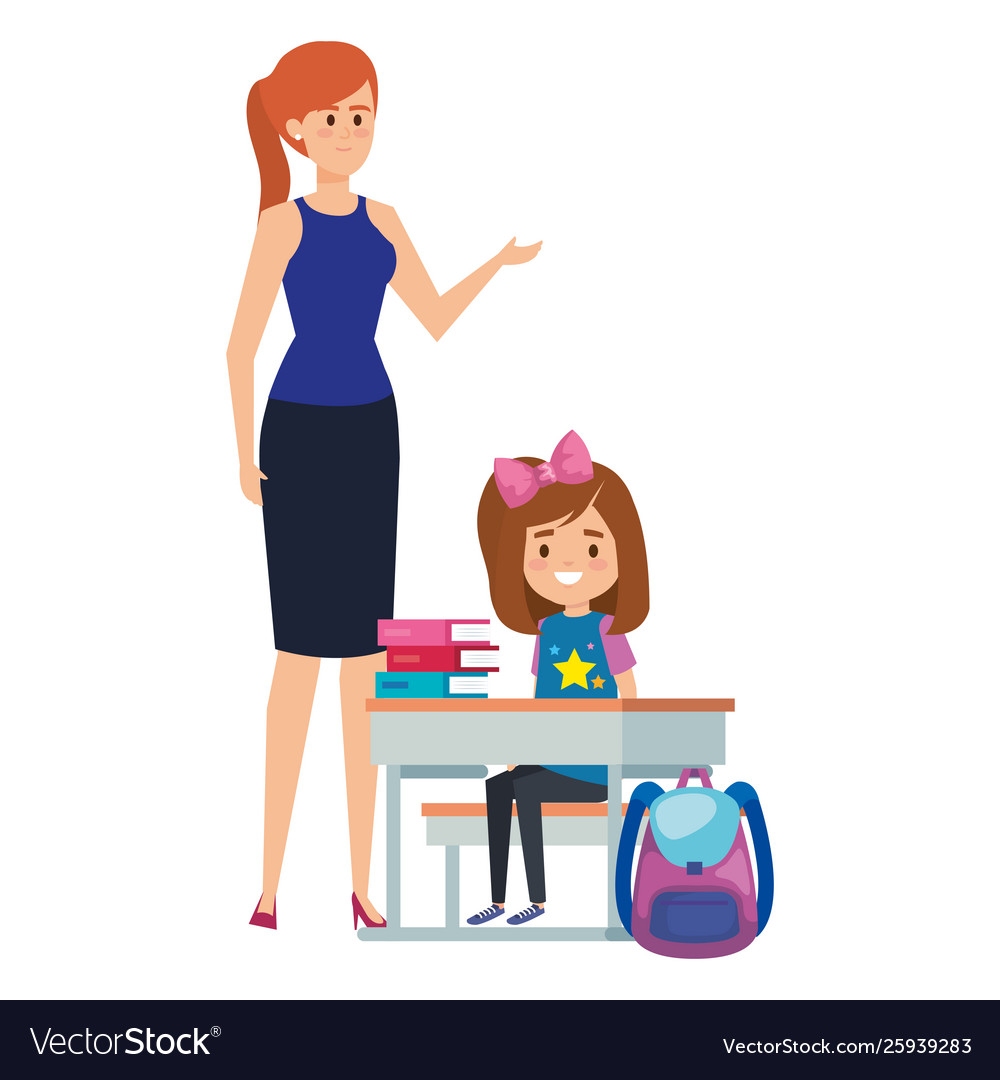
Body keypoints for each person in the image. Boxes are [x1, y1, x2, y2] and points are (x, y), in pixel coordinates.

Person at [227, 41, 542, 931]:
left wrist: (497, 263)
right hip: (298, 434)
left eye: (360, 115)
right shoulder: (280, 225)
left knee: (364, 661)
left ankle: (362, 886)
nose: (348, 132)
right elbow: (238, 346)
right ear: (294, 129)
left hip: (371, 433)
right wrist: (239, 452)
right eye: (331, 117)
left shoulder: (388, 219)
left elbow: (433, 317)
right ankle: (268, 887)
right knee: (296, 658)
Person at [467, 431, 649, 925]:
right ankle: (499, 899)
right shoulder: (545, 631)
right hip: (551, 759)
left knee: (525, 789)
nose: (567, 562)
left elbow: (629, 697)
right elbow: (538, 700)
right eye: (544, 551)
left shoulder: (608, 630)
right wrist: (524, 749)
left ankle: (539, 900)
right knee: (497, 787)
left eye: (591, 549)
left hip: (594, 771)